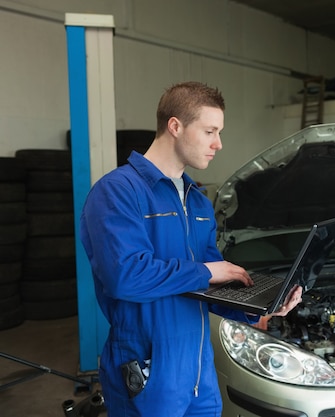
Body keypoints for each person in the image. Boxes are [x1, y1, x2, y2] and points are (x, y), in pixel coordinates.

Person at [79, 81, 302, 417]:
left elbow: (213, 286)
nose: (219, 144)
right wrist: (207, 270)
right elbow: (124, 276)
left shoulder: (197, 201)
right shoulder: (118, 192)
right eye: (210, 131)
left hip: (199, 371)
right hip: (148, 368)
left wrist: (262, 305)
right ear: (175, 126)